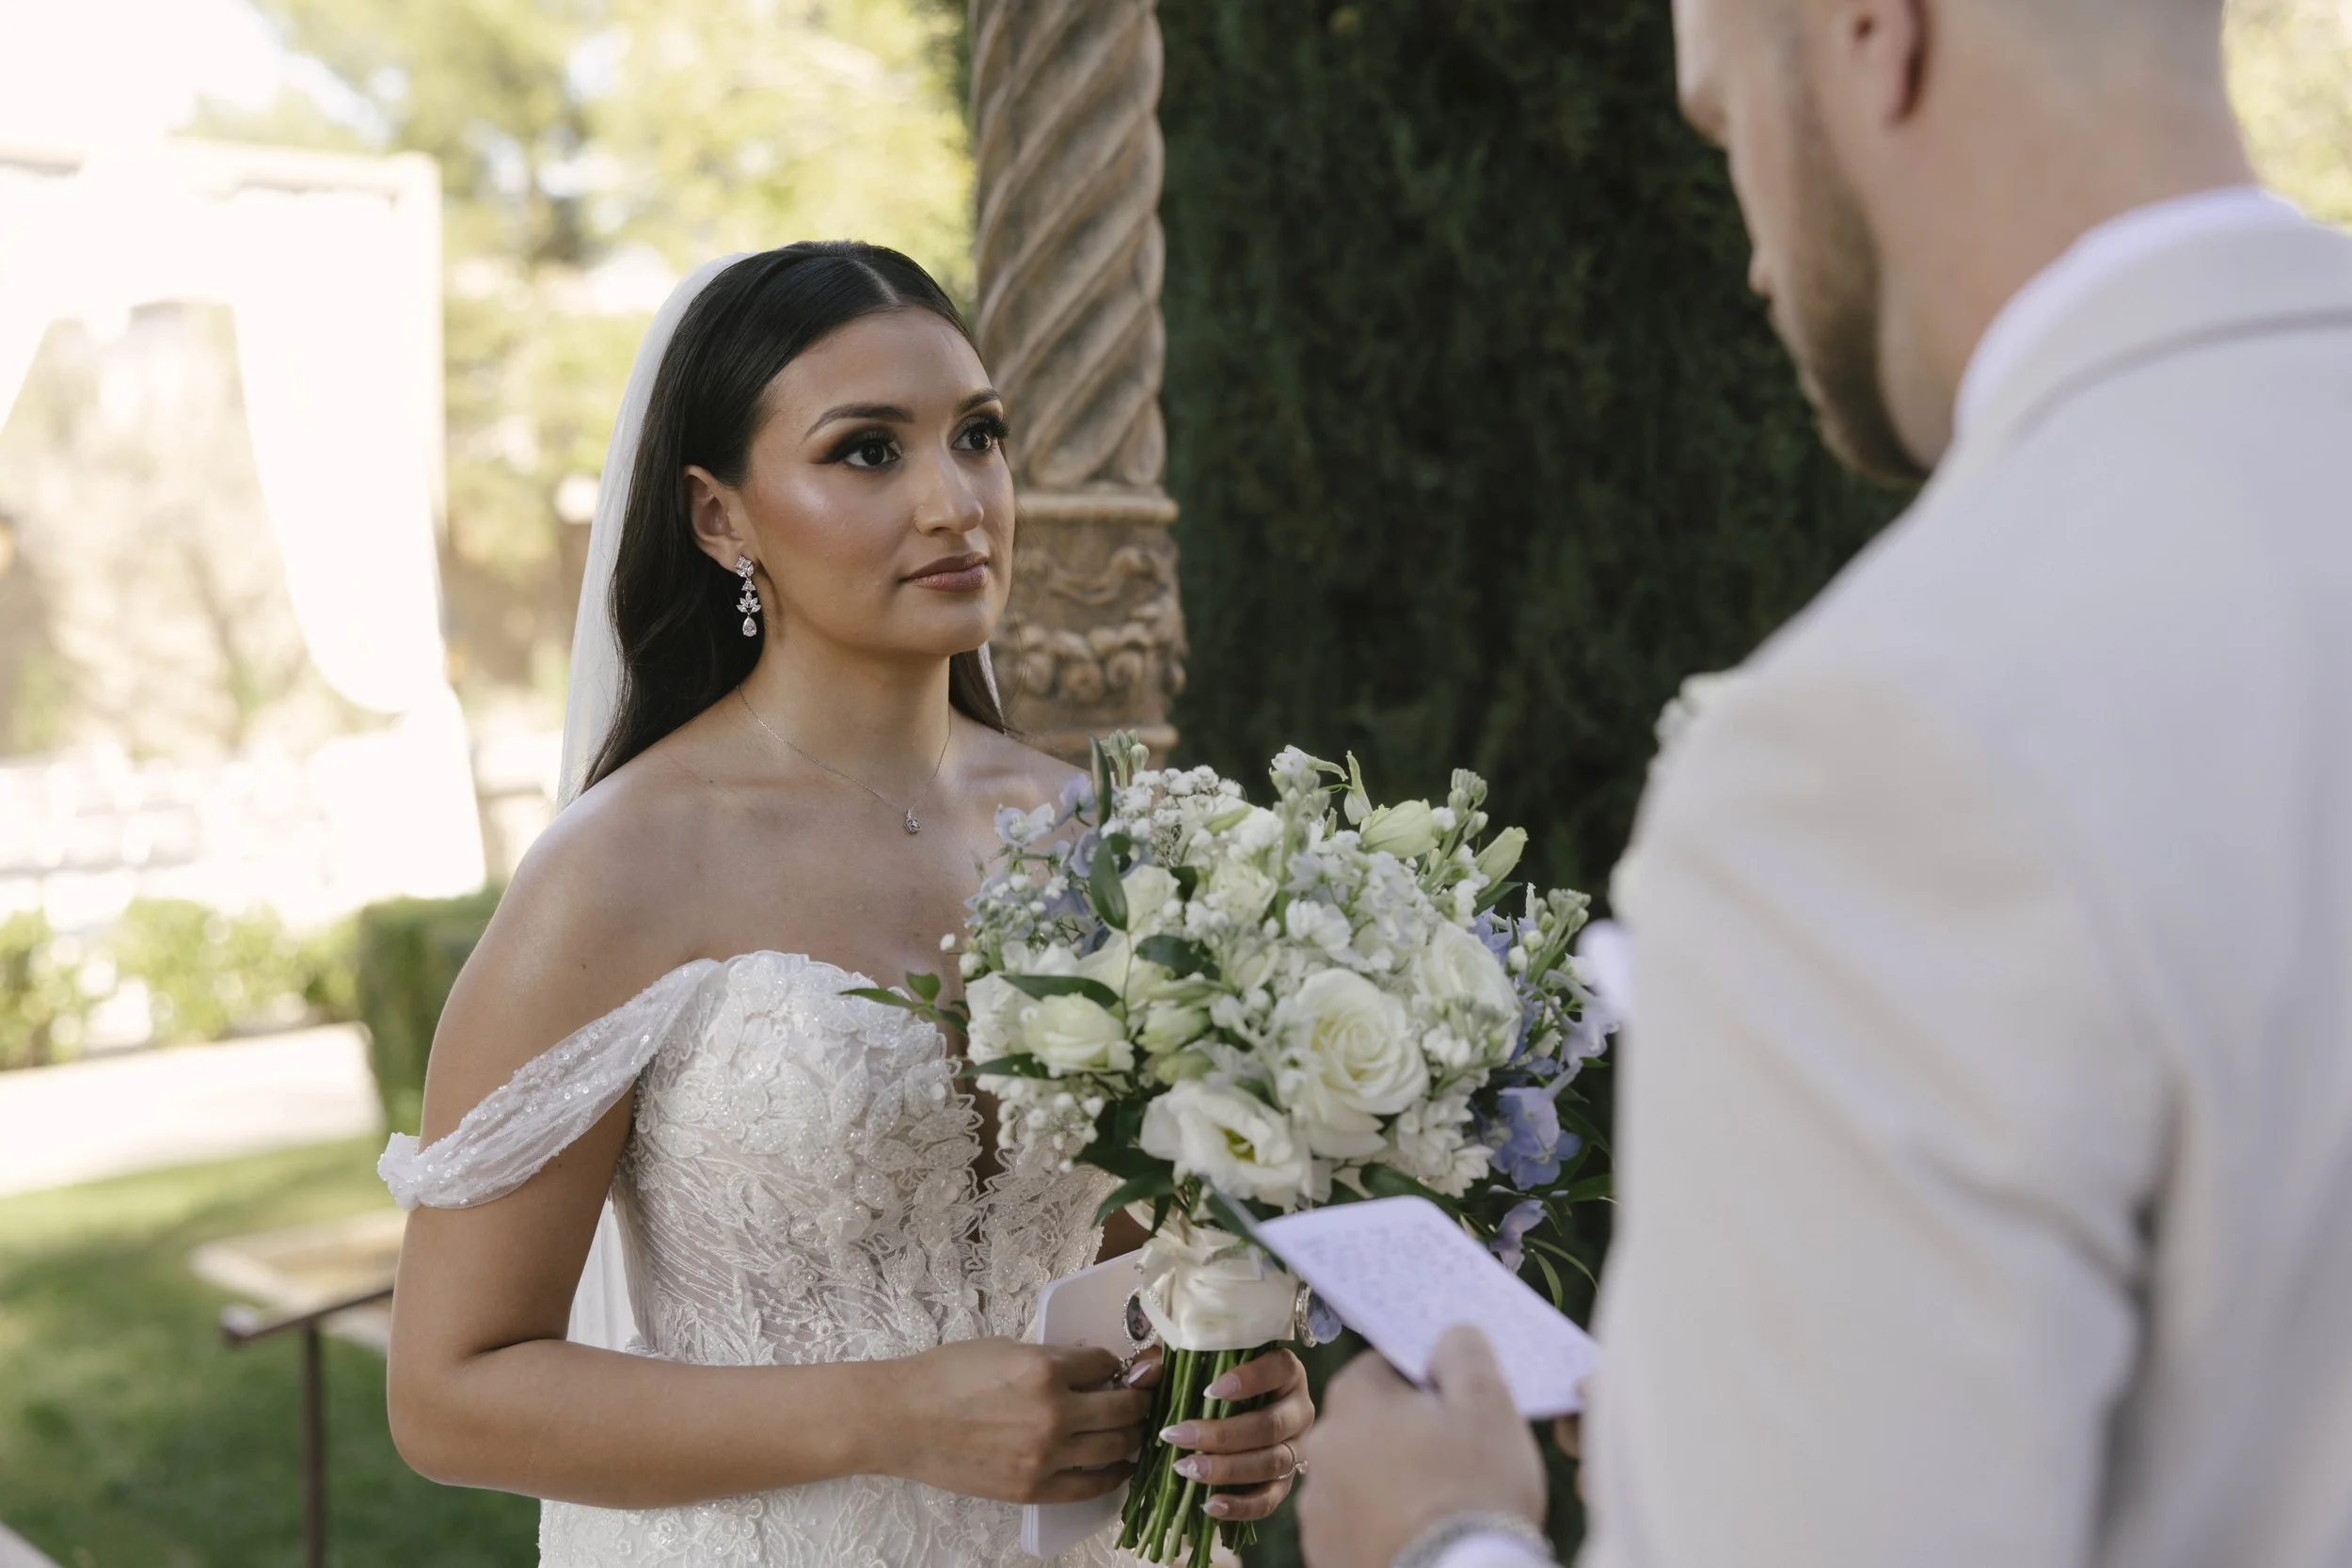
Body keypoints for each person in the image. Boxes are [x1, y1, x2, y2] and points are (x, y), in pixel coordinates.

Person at [1297, 1, 2352, 1565]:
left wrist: (1441, 1537)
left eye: (1726, 124)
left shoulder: (1881, 738)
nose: (1755, 258)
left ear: (1873, 33)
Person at [378, 242, 1312, 1567]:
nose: (955, 502)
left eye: (978, 436)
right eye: (869, 451)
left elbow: (1128, 1256)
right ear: (720, 518)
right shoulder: (623, 867)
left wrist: (1226, 1380)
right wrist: (884, 1415)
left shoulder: (1105, 833)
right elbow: (448, 1393)